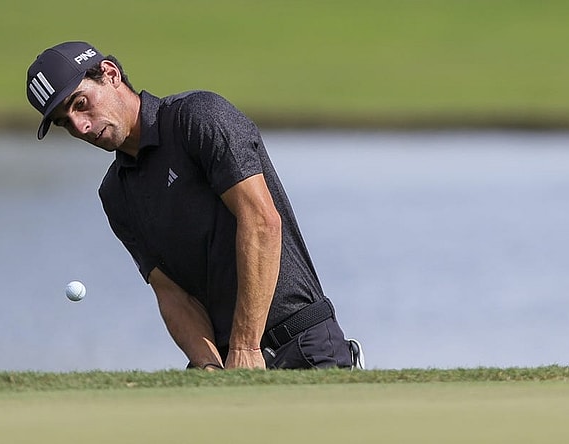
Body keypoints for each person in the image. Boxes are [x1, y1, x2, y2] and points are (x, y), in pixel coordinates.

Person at [26, 41, 364, 370]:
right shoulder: (115, 193)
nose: (80, 125)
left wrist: (246, 346)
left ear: (110, 74)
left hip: (304, 345)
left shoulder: (197, 118)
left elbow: (261, 221)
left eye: (80, 103)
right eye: (64, 121)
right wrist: (209, 368)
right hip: (230, 360)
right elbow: (172, 293)